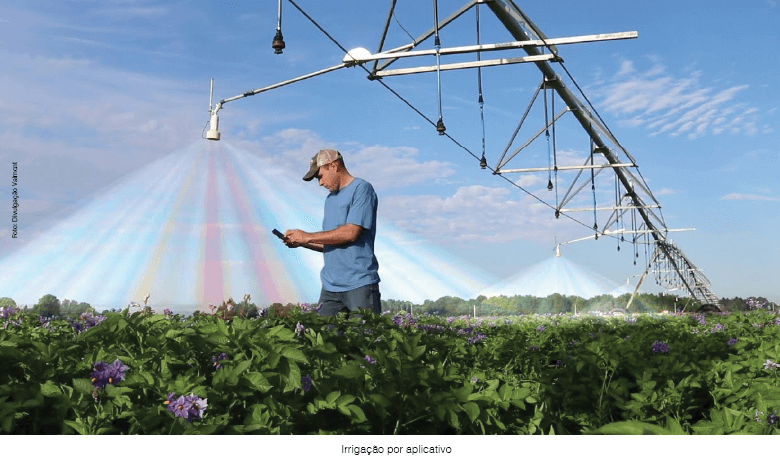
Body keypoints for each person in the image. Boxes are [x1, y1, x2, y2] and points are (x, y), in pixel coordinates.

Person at [284, 149, 381, 316]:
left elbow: (350, 233)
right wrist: (301, 242)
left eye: (320, 176)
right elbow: (331, 242)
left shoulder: (362, 189)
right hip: (330, 287)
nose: (320, 183)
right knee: (319, 338)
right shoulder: (330, 199)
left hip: (359, 284)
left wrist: (307, 236)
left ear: (333, 166)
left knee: (364, 339)